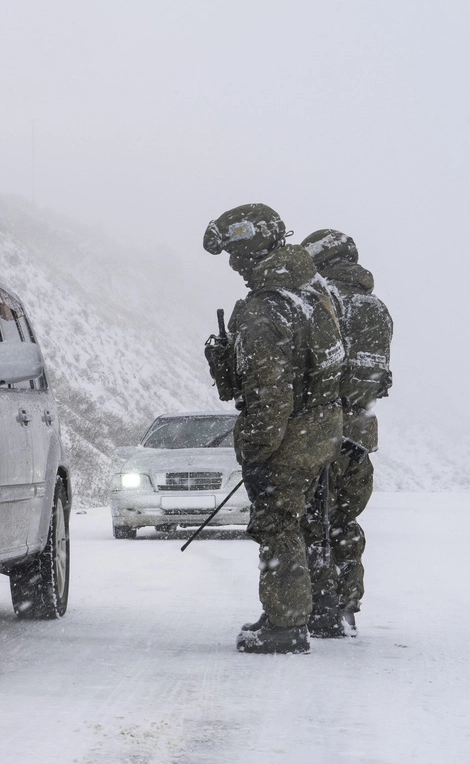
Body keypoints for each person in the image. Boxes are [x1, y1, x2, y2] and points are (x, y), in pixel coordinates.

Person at [202, 204, 345, 654]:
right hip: (322, 428)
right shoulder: (314, 293)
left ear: (248, 249)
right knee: (307, 522)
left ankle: (285, 626)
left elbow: (269, 395)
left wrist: (257, 451)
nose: (233, 266)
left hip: (289, 436)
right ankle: (308, 609)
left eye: (233, 254)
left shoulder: (265, 309)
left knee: (276, 523)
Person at [301, 229, 393, 637]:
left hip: (319, 431)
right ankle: (345, 604)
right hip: (359, 436)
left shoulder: (323, 302)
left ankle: (318, 606)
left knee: (312, 521)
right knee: (343, 521)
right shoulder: (376, 307)